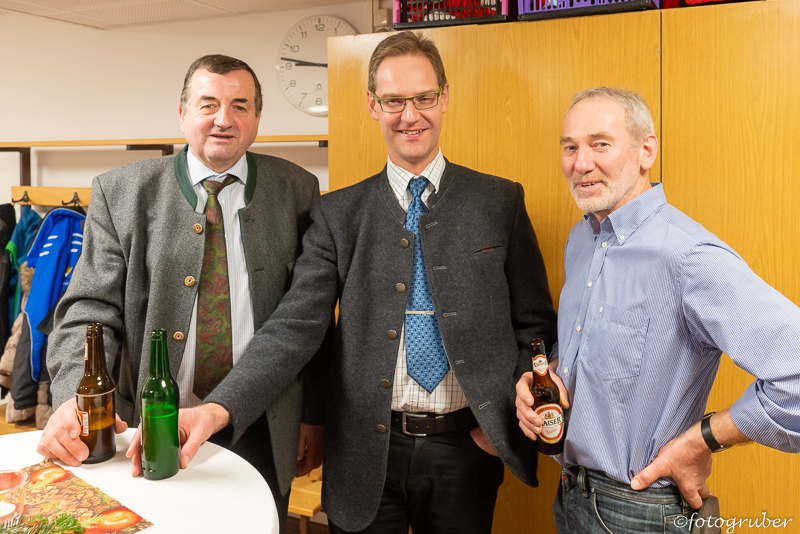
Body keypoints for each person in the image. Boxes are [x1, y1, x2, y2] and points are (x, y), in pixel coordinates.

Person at [173, 32, 558, 533]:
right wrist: (218, 410)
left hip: (468, 450)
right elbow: (296, 328)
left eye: (423, 98)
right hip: (364, 455)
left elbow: (533, 326)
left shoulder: (498, 202)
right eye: (394, 101)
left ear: (444, 98)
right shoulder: (337, 213)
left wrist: (499, 425)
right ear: (373, 106)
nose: (410, 115)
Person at [38, 54, 328, 532]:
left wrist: (314, 415)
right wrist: (73, 395)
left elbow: (309, 321)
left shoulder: (298, 189)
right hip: (147, 426)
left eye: (240, 106)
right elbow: (88, 310)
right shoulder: (120, 192)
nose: (223, 119)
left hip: (261, 420)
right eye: (208, 104)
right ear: (182, 114)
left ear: (257, 118)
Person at [515, 86, 800, 533]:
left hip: (641, 510)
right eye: (570, 147)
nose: (581, 163)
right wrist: (545, 378)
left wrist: (703, 439)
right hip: (570, 495)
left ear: (646, 151)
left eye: (600, 144)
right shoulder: (580, 240)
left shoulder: (689, 256)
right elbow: (594, 353)